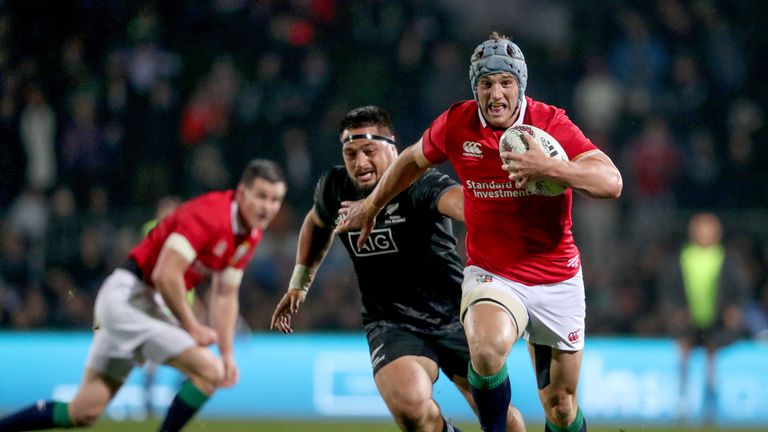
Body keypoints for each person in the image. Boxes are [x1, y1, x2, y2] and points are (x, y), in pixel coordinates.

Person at [337, 33, 623, 432]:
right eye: (486, 84)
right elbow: (411, 160)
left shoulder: (550, 123)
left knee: (560, 405)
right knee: (486, 351)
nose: (496, 93)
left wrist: (550, 169)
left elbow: (611, 182)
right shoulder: (458, 123)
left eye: (505, 82)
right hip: (494, 273)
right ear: (475, 88)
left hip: (557, 278)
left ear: (520, 84)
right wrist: (371, 205)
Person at [270, 105, 525, 432]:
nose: (360, 163)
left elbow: (460, 202)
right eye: (350, 153)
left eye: (369, 150)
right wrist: (299, 283)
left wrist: (498, 203)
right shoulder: (335, 188)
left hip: (452, 315)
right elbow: (315, 222)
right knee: (410, 409)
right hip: (390, 321)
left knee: (504, 422)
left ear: (393, 147)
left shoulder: (420, 184)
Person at [0, 159, 287, 432]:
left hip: (138, 302)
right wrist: (193, 327)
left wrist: (227, 353)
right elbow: (165, 274)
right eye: (261, 196)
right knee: (208, 371)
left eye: (275, 200)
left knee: (83, 411)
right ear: (241, 192)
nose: (267, 207)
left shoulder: (250, 233)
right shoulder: (211, 216)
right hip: (131, 298)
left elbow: (225, 293)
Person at [656, 212, 751, 420]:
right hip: (687, 319)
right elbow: (668, 287)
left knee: (712, 359)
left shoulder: (727, 257)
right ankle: (682, 401)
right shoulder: (681, 257)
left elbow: (740, 287)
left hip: (717, 320)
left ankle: (710, 400)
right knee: (683, 354)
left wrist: (734, 308)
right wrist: (674, 310)